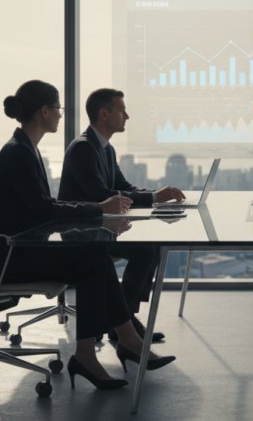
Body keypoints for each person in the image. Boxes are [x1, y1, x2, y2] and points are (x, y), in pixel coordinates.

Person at [0, 80, 175, 391]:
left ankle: (99, 349)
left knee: (95, 258)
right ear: (44, 111)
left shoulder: (25, 149)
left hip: (16, 250)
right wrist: (98, 210)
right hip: (2, 258)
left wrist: (104, 211)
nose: (61, 114)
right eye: (58, 108)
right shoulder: (18, 153)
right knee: (94, 257)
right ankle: (120, 341)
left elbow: (43, 208)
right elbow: (44, 209)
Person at [58, 88, 186, 343]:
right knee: (145, 251)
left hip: (101, 228)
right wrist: (154, 198)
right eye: (121, 110)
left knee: (151, 249)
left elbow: (124, 187)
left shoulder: (106, 148)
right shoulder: (83, 148)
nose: (127, 116)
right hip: (81, 234)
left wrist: (156, 195)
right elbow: (101, 195)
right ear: (104, 114)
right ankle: (123, 323)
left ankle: (124, 320)